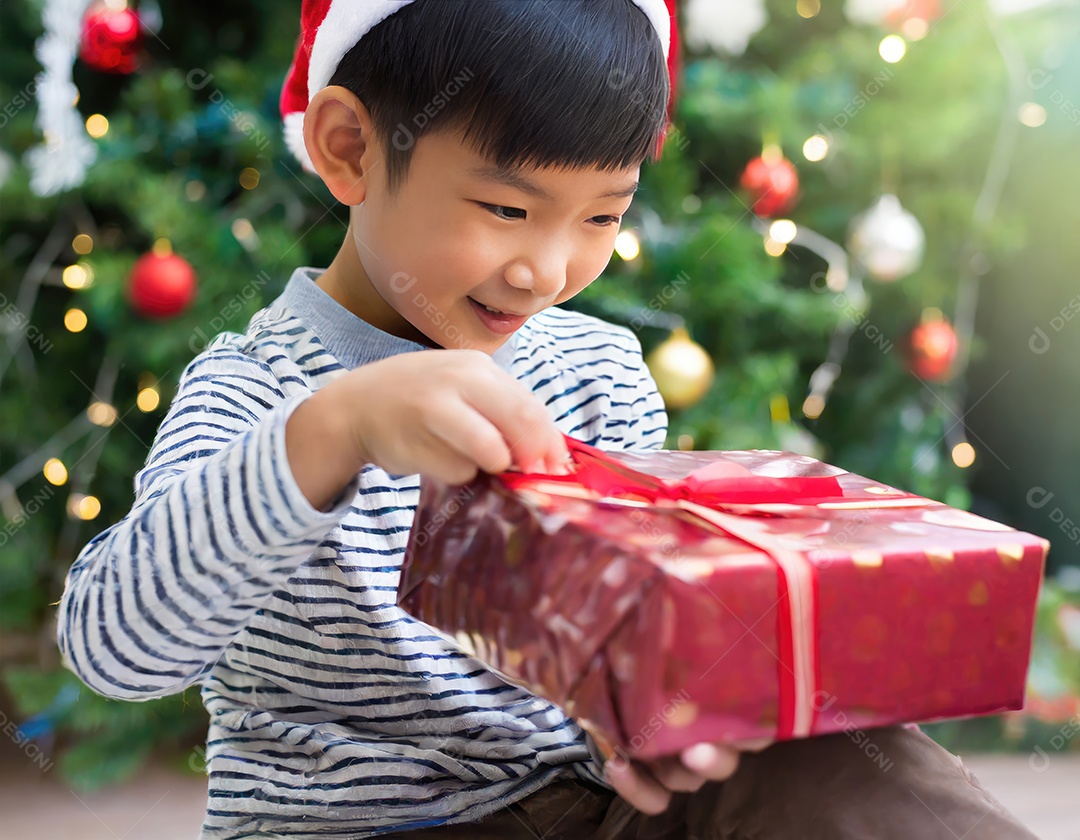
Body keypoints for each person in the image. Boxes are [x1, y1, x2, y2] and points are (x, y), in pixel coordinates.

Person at [56, 1, 1038, 837]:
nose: (548, 271)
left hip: (589, 808)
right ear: (349, 147)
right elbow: (115, 650)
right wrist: (336, 428)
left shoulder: (598, 371)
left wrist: (663, 722)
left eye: (603, 216)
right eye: (506, 209)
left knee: (843, 760)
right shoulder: (255, 389)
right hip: (368, 825)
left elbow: (622, 652)